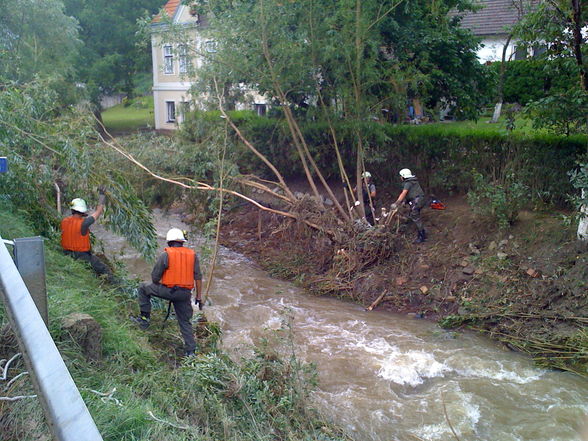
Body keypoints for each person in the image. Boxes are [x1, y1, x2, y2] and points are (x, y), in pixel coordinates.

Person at [131, 228, 203, 357]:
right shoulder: (193, 255)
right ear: (182, 242)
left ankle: (144, 319)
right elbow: (198, 277)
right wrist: (198, 297)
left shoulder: (166, 255)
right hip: (185, 294)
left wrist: (162, 284)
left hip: (168, 291)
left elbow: (155, 277)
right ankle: (191, 351)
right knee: (185, 322)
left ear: (169, 242)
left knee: (143, 288)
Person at [61, 188, 115, 281]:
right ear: (83, 211)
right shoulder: (84, 223)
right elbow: (98, 212)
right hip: (81, 256)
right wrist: (102, 195)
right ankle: (117, 286)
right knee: (104, 269)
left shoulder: (64, 221)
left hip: (66, 253)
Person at [391, 168, 426, 243]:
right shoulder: (413, 182)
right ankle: (421, 233)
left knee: (415, 216)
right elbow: (411, 194)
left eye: (401, 176)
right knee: (413, 215)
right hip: (419, 200)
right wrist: (404, 202)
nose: (400, 178)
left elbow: (404, 193)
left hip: (417, 201)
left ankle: (422, 235)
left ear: (404, 176)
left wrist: (397, 203)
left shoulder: (408, 183)